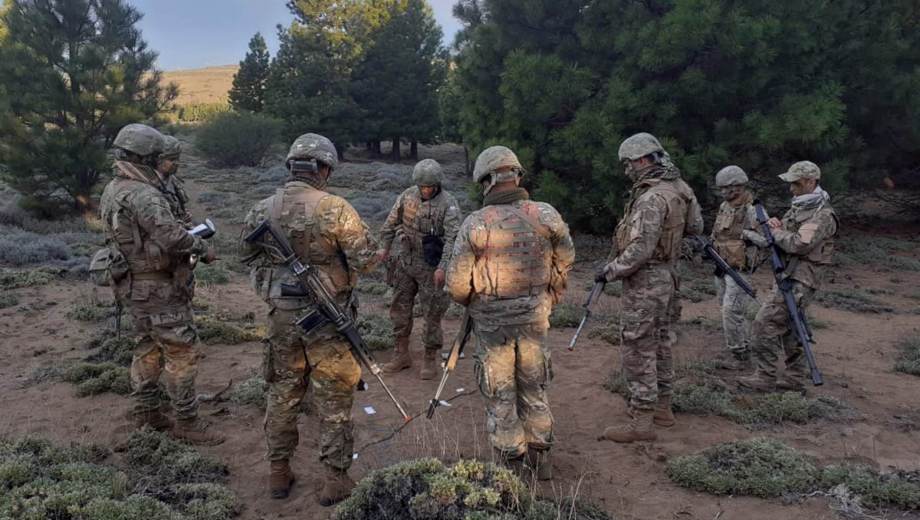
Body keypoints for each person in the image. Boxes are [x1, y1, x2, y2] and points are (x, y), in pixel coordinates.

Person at [241, 133, 380, 505]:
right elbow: (366, 259)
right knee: (333, 398)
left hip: (282, 319)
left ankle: (278, 472)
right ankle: (334, 479)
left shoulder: (262, 208)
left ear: (291, 165)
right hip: (327, 322)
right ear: (322, 168)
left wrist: (275, 286)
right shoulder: (335, 208)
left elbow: (246, 256)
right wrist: (333, 275)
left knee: (283, 393)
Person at [446, 145, 575, 480]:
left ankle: (511, 462)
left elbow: (457, 284)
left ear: (486, 181)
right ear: (516, 175)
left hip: (492, 324)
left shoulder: (476, 222)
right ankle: (541, 455)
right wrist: (551, 295)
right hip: (534, 317)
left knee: (500, 390)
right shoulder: (545, 214)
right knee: (534, 386)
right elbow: (566, 256)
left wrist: (473, 301)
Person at [99, 123, 222, 445]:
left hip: (133, 285)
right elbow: (171, 236)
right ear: (149, 157)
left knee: (146, 347)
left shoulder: (114, 187)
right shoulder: (145, 194)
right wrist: (202, 248)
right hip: (159, 288)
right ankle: (187, 421)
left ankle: (147, 412)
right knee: (181, 352)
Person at [596, 132, 702, 443]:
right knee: (661, 342)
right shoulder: (680, 189)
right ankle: (663, 408)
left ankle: (641, 419)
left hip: (646, 281)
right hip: (670, 276)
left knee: (638, 345)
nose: (626, 170)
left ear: (643, 160)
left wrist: (610, 271)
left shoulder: (651, 198)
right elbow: (696, 227)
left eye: (628, 164)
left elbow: (640, 250)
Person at [738, 161, 837, 393]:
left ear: (811, 182)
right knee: (792, 326)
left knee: (765, 323)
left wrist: (774, 231)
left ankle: (765, 376)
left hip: (802, 278)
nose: (792, 188)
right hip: (789, 273)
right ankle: (794, 378)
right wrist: (777, 225)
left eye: (797, 183)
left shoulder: (823, 214)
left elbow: (799, 243)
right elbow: (787, 233)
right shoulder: (800, 207)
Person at [377, 159, 462, 379]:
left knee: (432, 313)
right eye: (422, 186)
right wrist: (384, 248)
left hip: (431, 266)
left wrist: (443, 268)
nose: (425, 190)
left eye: (429, 187)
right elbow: (390, 223)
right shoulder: (407, 196)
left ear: (437, 185)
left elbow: (453, 239)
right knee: (399, 309)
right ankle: (401, 354)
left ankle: (429, 358)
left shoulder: (448, 204)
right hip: (405, 262)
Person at [710, 165, 760, 370]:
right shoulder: (725, 206)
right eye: (721, 188)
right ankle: (742, 345)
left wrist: (744, 235)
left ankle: (740, 355)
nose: (723, 192)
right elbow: (717, 232)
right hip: (722, 264)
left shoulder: (753, 208)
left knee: (731, 311)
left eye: (727, 188)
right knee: (726, 308)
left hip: (739, 268)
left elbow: (765, 238)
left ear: (738, 186)